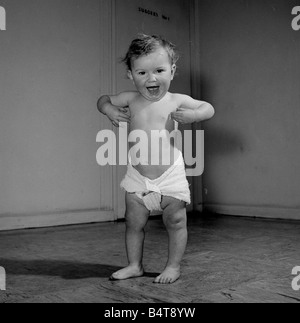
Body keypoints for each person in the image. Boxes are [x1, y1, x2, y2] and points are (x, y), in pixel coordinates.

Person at [97, 34, 214, 284]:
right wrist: (108, 109)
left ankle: (173, 266)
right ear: (130, 75)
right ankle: (134, 265)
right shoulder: (130, 99)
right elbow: (103, 99)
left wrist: (194, 115)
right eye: (142, 73)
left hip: (170, 175)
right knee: (133, 223)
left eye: (159, 70)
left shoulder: (177, 100)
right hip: (138, 177)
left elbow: (208, 107)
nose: (151, 78)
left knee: (176, 220)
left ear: (172, 70)